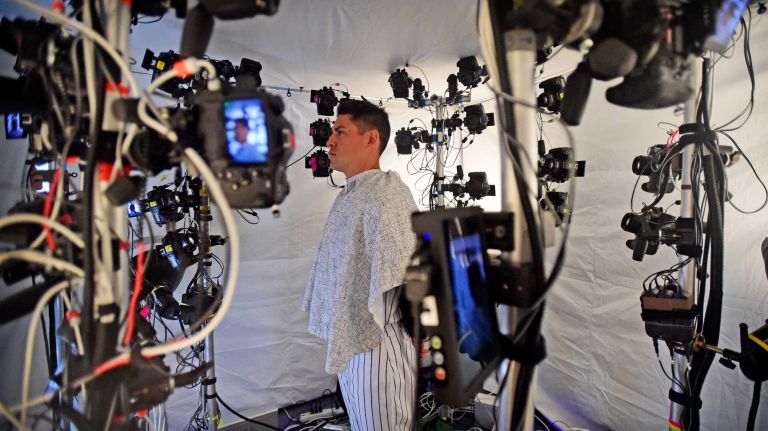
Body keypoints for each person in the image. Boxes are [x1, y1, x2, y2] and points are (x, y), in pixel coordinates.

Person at [303, 99, 418, 430]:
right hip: (352, 340)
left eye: (340, 132)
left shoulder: (386, 195)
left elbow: (402, 275)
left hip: (376, 343)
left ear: (371, 138)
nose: (330, 141)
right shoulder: (349, 195)